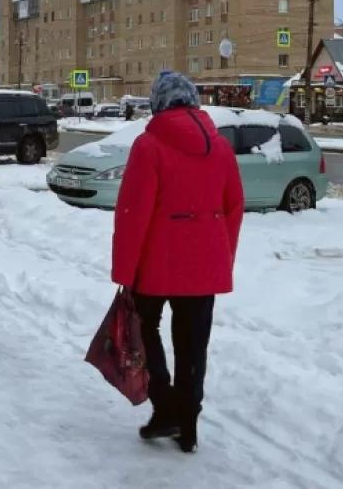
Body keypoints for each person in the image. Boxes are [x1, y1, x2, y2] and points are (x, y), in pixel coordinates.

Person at [111, 71, 244, 454]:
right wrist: (222, 257)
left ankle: (166, 405)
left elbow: (133, 213)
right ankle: (188, 425)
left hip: (155, 264)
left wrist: (125, 271)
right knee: (193, 345)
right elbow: (234, 208)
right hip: (205, 265)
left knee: (143, 331)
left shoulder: (149, 145)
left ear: (158, 103)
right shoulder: (220, 148)